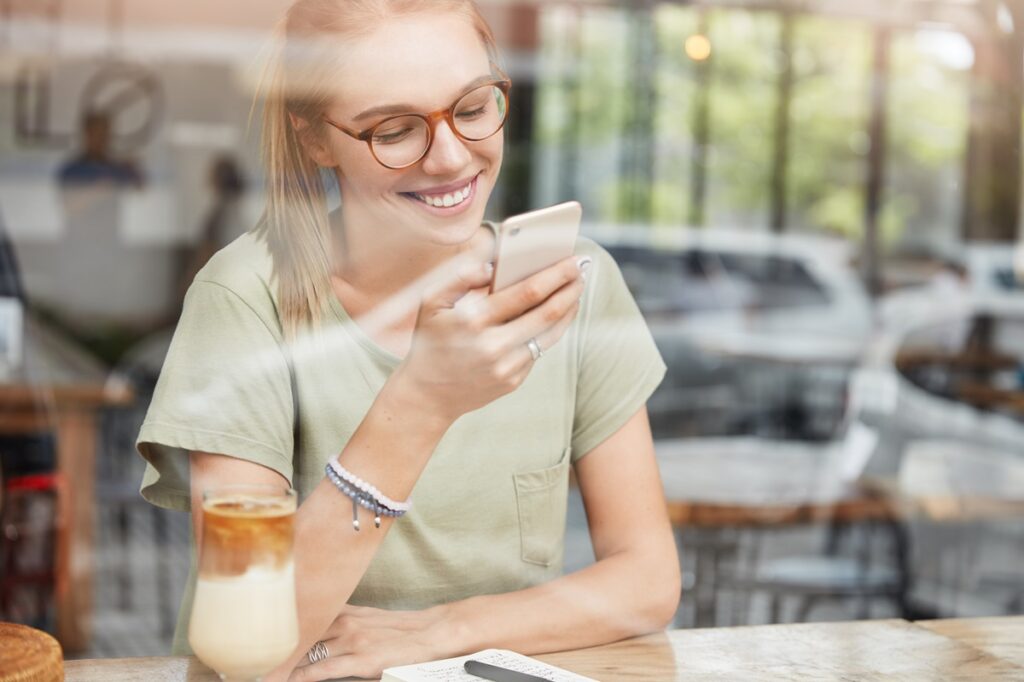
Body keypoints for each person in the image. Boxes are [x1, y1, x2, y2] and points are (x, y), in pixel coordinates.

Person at [136, 1, 680, 680]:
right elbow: (250, 645)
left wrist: (441, 630)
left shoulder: (575, 283)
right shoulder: (245, 297)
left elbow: (647, 580)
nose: (450, 157)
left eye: (473, 108)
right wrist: (421, 403)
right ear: (315, 139)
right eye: (393, 130)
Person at [57, 110, 144, 188]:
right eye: (94, 134)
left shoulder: (119, 169)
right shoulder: (72, 170)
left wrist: (132, 171)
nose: (99, 140)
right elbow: (68, 198)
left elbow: (140, 190)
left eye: (103, 134)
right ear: (86, 135)